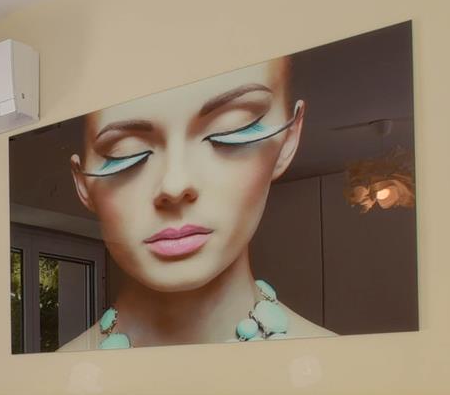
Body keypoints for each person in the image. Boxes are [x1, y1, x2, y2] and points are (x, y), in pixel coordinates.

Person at [59, 55, 333, 350]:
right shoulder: (54, 373)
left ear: (289, 139)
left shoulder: (339, 367)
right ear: (82, 183)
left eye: (230, 130)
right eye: (126, 153)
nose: (174, 185)